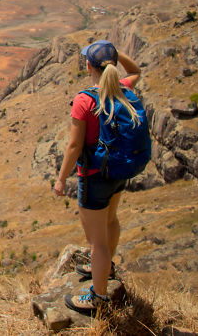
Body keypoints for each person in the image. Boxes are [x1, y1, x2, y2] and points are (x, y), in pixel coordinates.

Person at [53, 39, 141, 316]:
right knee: (111, 220)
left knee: (96, 242)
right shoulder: (122, 88)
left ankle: (98, 298)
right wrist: (115, 55)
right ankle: (105, 267)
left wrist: (61, 178)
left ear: (88, 66)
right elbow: (136, 70)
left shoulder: (84, 100)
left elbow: (74, 146)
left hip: (93, 176)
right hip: (118, 172)